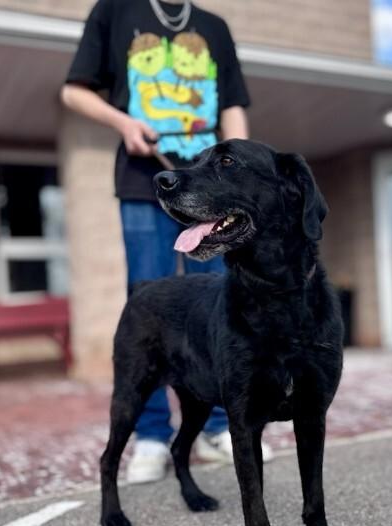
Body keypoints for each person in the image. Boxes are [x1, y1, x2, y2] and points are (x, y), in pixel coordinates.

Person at [61, 0, 271, 483]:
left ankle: (221, 426)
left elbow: (232, 107)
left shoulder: (215, 28)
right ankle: (153, 436)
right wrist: (124, 123)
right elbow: (73, 92)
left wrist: (239, 173)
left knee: (223, 301)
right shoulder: (114, 13)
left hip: (212, 190)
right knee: (147, 303)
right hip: (143, 183)